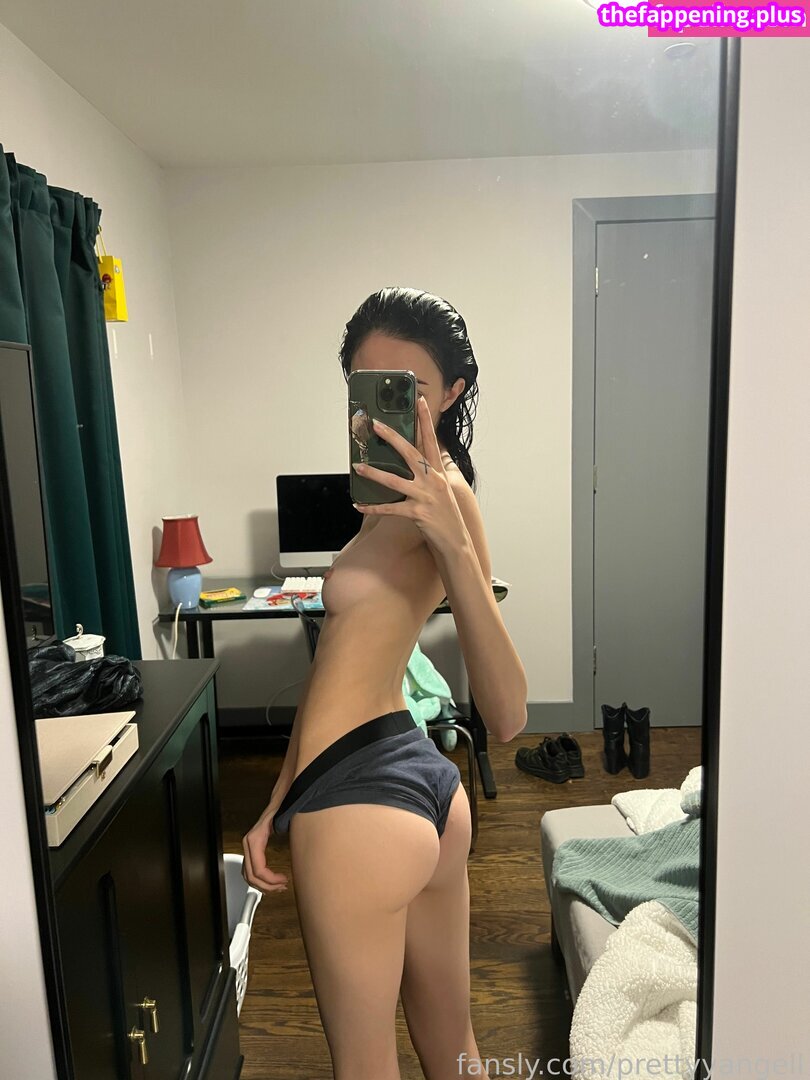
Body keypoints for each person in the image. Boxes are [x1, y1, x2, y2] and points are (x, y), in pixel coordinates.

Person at [242, 286, 528, 1080]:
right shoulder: (380, 501)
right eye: (367, 389)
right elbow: (338, 662)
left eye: (409, 390)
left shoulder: (447, 498)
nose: (382, 411)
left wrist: (452, 540)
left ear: (452, 393)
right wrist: (274, 802)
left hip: (361, 804)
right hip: (412, 783)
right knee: (455, 1050)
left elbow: (507, 714)